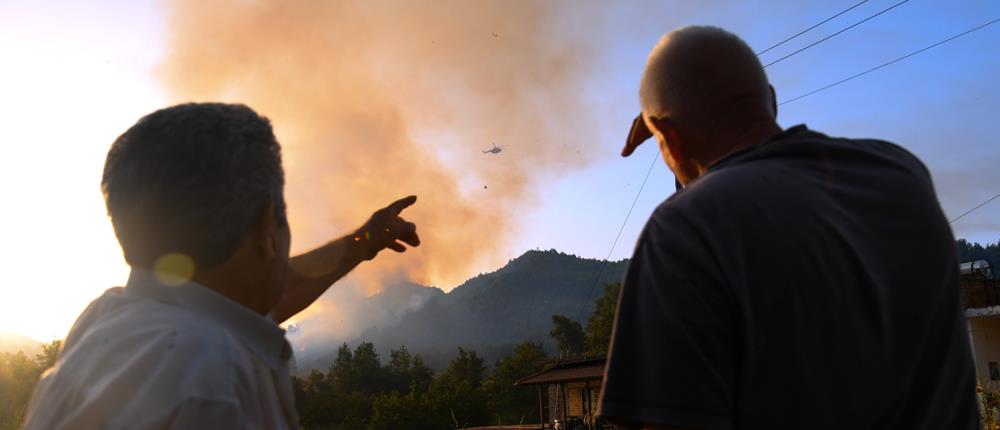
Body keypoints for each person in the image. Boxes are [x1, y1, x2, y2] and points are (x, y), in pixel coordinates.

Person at [598, 26, 977, 429]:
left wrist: (673, 133)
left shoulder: (683, 231)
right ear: (772, 102)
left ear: (670, 140)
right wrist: (672, 126)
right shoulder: (901, 174)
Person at [22, 103, 421, 429]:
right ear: (267, 226)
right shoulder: (213, 387)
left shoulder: (107, 321)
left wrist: (362, 243)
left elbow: (253, 301)